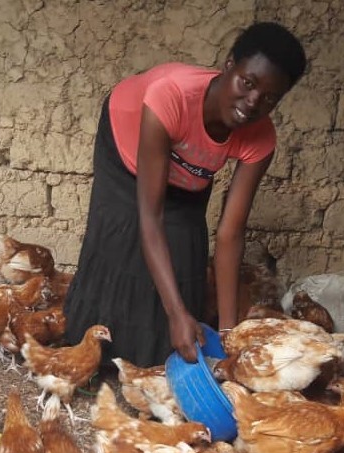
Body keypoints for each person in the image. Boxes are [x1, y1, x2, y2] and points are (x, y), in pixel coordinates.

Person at [63, 22, 306, 367]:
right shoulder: (172, 96)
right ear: (228, 65)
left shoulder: (261, 138)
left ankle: (155, 364)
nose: (253, 103)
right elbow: (151, 215)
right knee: (123, 235)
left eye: (269, 98)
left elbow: (230, 232)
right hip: (128, 145)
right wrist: (176, 313)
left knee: (186, 251)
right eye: (247, 83)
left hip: (189, 171)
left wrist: (227, 331)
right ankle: (90, 355)